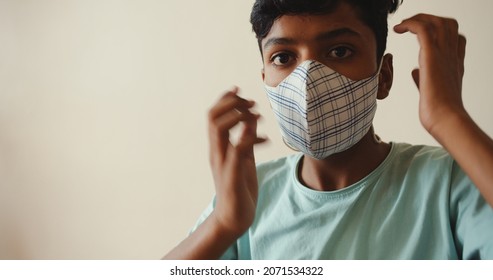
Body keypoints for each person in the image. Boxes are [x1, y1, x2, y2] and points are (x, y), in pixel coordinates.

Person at [164, 0, 493, 259]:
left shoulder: (453, 180)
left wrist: (448, 117)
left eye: (339, 51)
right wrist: (222, 224)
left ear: (384, 75)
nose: (308, 78)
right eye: (283, 57)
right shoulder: (248, 195)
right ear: (265, 79)